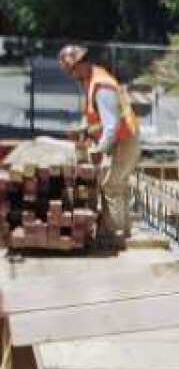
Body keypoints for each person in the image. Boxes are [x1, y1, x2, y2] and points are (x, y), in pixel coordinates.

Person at [57, 44, 141, 249]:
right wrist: (84, 129)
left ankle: (113, 235)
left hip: (124, 140)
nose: (72, 75)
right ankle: (121, 229)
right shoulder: (91, 79)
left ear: (82, 63)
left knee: (110, 184)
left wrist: (99, 149)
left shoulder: (101, 86)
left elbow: (112, 126)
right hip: (122, 139)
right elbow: (99, 118)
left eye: (72, 70)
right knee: (117, 184)